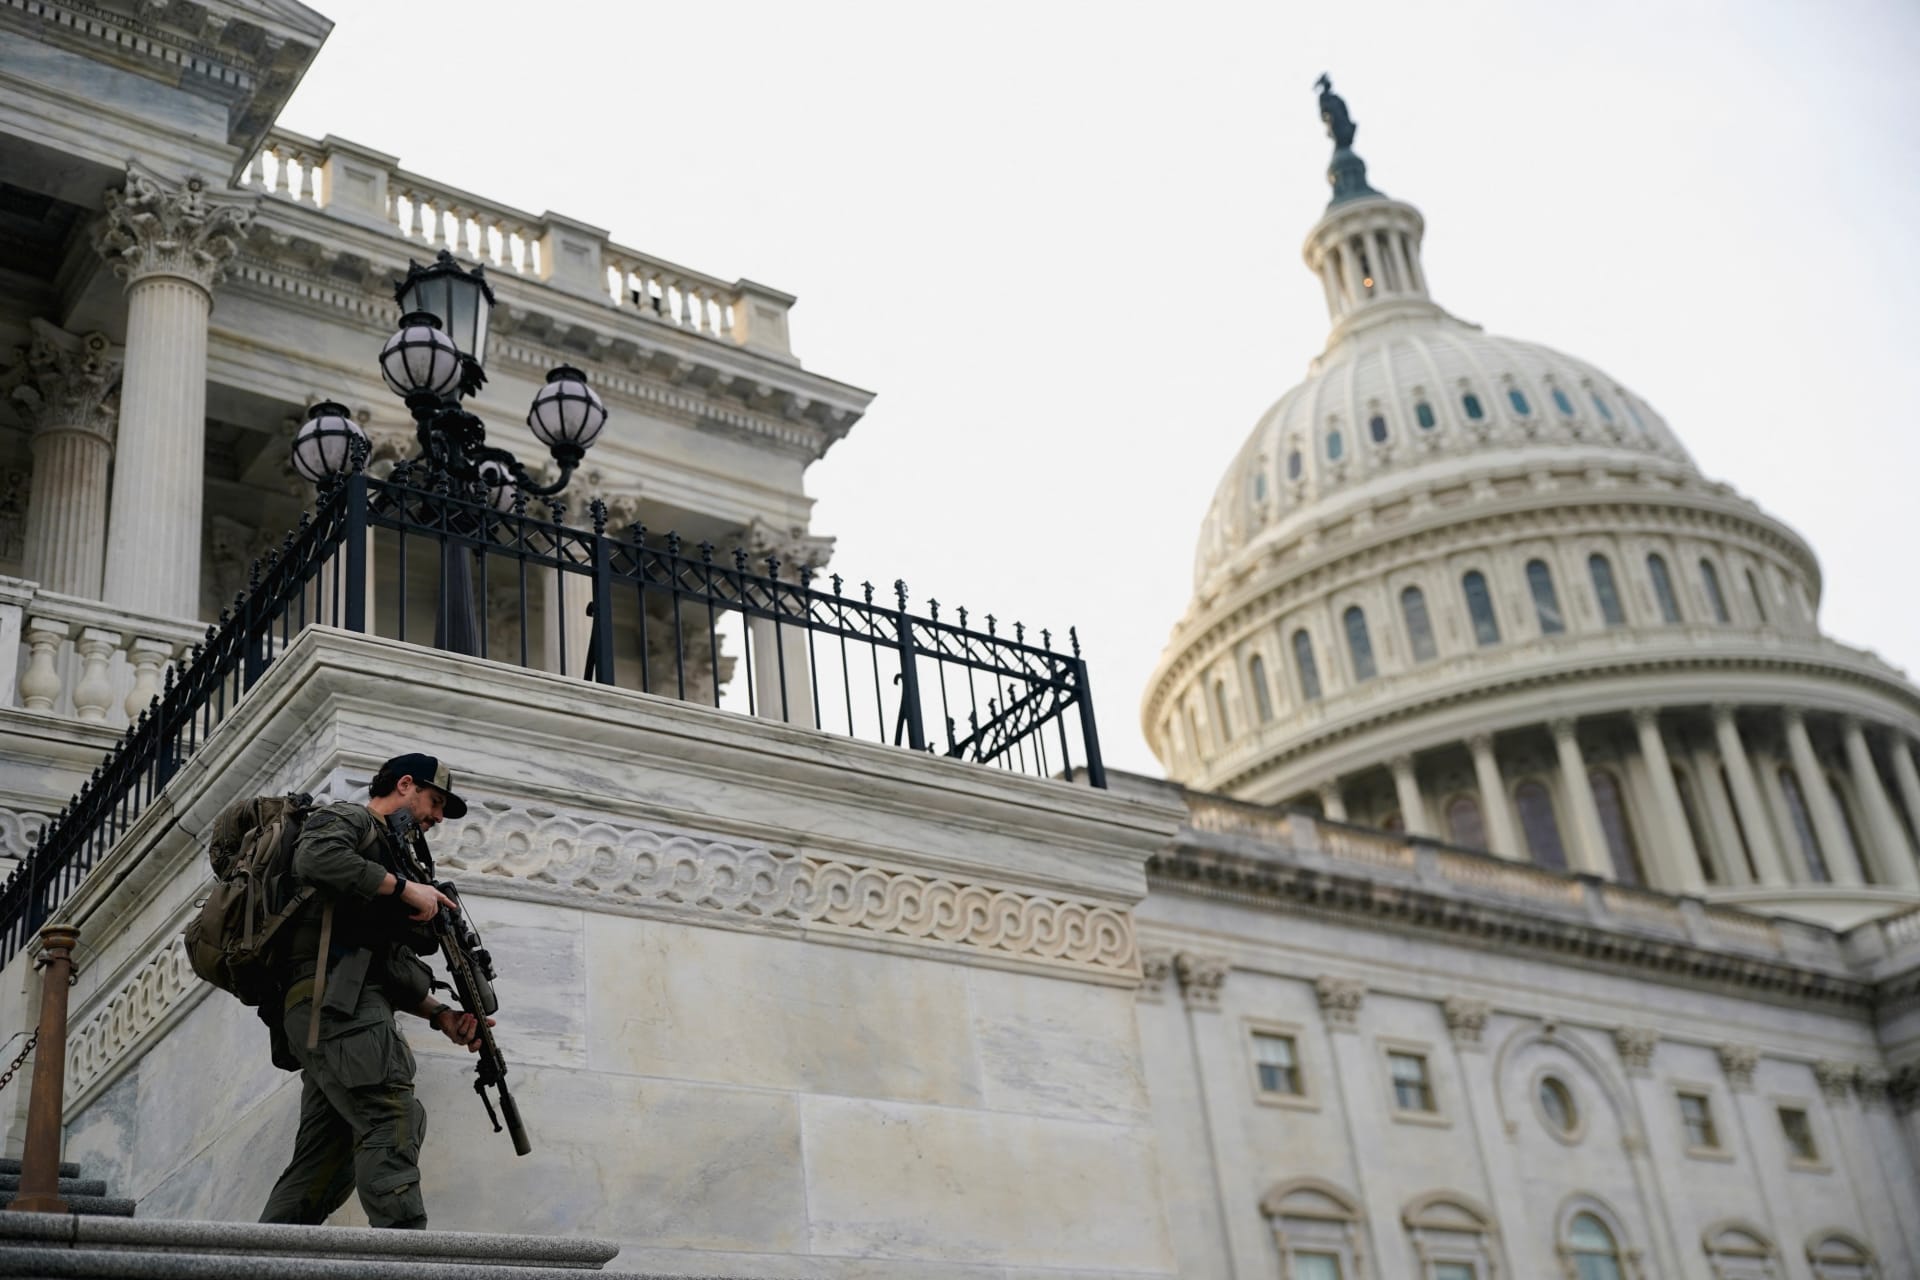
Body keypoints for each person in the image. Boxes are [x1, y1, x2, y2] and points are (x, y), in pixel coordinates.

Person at [259, 753, 491, 1229]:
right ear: (405, 785)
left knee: (324, 1162)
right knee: (392, 1118)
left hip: (336, 1007)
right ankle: (404, 1259)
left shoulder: (389, 855)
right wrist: (406, 889)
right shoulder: (348, 818)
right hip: (334, 1006)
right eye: (435, 801)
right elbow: (317, 857)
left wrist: (439, 1014)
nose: (438, 817)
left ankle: (256, 1258)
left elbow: (377, 963)